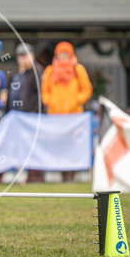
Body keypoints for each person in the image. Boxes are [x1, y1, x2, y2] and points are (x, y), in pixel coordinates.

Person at [41, 41, 93, 182]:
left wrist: (76, 100)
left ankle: (71, 175)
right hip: (55, 117)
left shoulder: (78, 69)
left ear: (70, 54)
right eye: (60, 54)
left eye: (65, 54)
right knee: (59, 146)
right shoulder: (50, 70)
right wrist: (49, 101)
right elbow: (45, 90)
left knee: (72, 146)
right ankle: (62, 175)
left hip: (74, 117)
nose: (63, 56)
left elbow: (87, 89)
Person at [6, 42, 46, 183]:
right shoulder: (16, 73)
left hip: (30, 117)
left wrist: (35, 113)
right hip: (15, 117)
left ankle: (35, 176)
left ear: (32, 56)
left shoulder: (37, 71)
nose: (22, 59)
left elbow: (40, 96)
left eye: (25, 55)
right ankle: (21, 175)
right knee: (19, 146)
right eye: (20, 56)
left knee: (32, 147)